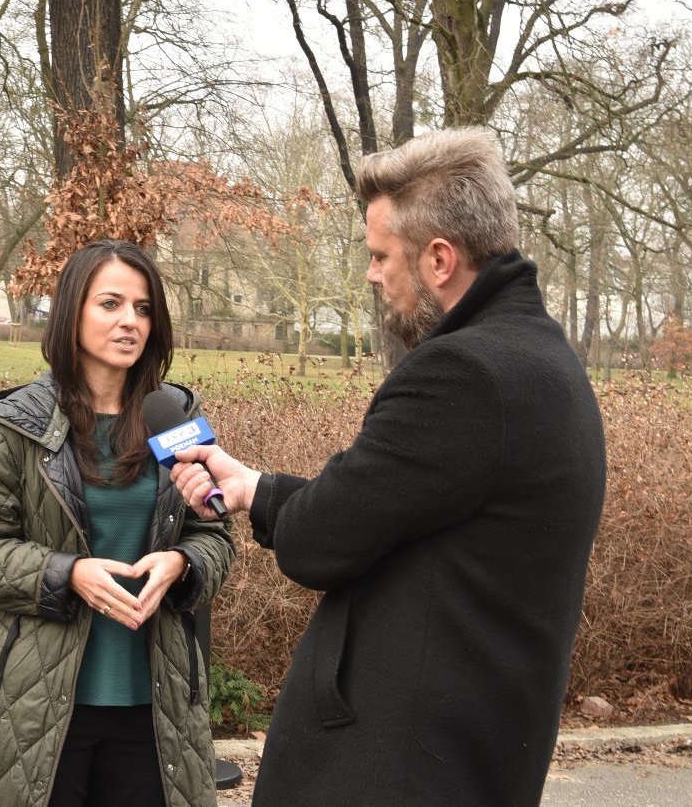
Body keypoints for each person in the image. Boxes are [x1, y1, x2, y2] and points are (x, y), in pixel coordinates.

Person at [172, 129, 607, 806]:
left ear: (439, 259)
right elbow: (385, 504)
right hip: (467, 758)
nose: (372, 275)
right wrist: (253, 488)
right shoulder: (543, 363)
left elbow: (322, 541)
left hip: (401, 771)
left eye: (381, 256)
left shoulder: (463, 374)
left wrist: (278, 506)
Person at [0, 240, 234, 807]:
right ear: (72, 310)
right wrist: (67, 574)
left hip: (157, 705)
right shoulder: (19, 424)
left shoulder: (174, 419)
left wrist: (183, 562)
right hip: (38, 704)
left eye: (144, 308)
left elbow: (214, 531)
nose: (130, 321)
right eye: (110, 304)